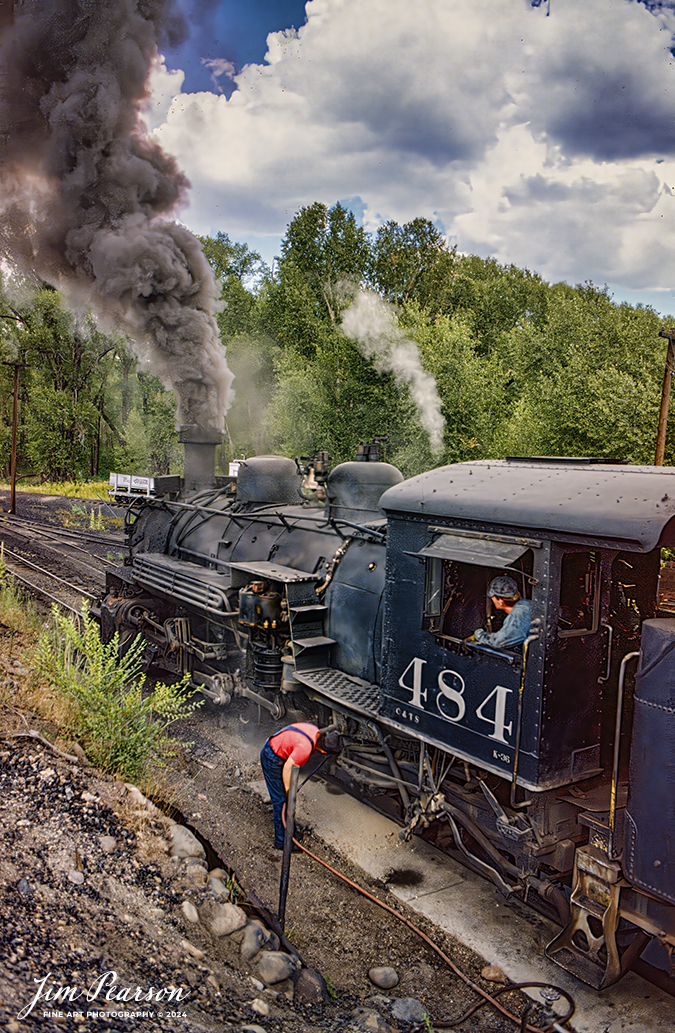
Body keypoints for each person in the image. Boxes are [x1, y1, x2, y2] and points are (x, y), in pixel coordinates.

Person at [260, 723, 343, 849]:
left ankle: (288, 829)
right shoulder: (304, 749)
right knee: (282, 802)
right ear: (323, 751)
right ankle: (282, 842)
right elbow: (288, 768)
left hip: (275, 746)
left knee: (283, 798)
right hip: (272, 757)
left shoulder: (314, 730)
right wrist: (289, 793)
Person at [467, 575, 532, 650]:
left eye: (492, 597)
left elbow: (499, 642)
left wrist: (478, 634)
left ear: (501, 601)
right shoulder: (526, 604)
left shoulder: (520, 614)